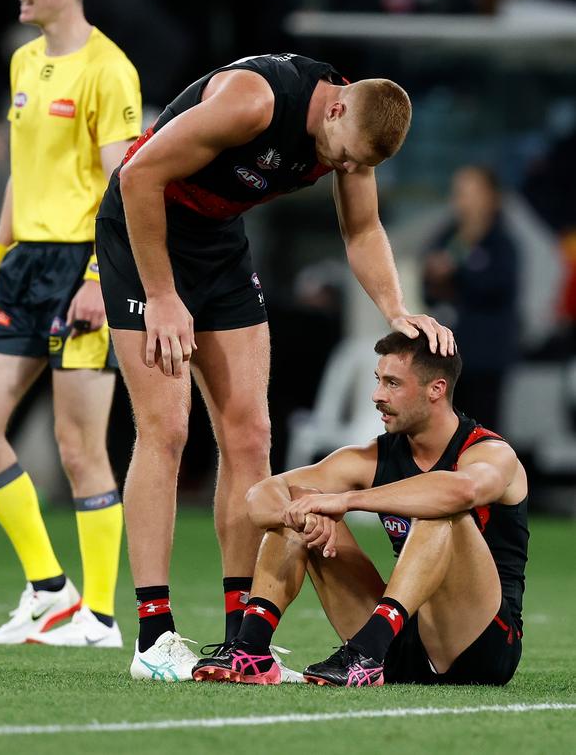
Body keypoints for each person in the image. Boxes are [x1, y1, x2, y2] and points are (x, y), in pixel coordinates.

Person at [95, 52, 454, 681]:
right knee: (167, 429)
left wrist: (397, 309)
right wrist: (161, 296)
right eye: (346, 157)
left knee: (250, 432)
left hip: (217, 238)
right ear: (336, 106)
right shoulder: (255, 100)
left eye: (357, 165)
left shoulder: (352, 132)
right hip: (143, 235)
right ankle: (154, 637)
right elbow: (137, 175)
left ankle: (243, 639)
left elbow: (363, 229)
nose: (344, 169)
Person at [0, 0, 142, 648]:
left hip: (81, 266)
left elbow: (123, 186)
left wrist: (100, 275)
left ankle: (97, 616)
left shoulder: (110, 70)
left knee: (78, 445)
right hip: (24, 263)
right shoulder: (25, 61)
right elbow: (20, 167)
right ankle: (48, 589)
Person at [192, 332, 528, 686]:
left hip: (480, 647)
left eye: (393, 383)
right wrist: (303, 514)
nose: (377, 396)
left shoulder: (492, 453)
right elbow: (260, 495)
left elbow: (462, 489)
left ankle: (365, 653)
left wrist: (346, 500)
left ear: (436, 389)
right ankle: (252, 651)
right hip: (398, 640)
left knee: (440, 513)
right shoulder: (374, 455)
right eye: (378, 381)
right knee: (301, 499)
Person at [423, 165, 519, 429]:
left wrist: (456, 275)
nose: (463, 199)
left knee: (483, 432)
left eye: (471, 192)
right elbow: (429, 288)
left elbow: (496, 286)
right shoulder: (447, 237)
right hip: (448, 360)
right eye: (459, 192)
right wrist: (436, 278)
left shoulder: (501, 243)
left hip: (486, 358)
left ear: (491, 196)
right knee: (445, 434)